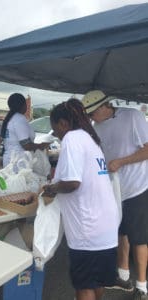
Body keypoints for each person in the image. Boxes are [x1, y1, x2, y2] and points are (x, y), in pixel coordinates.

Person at [42, 98, 119, 300]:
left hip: (88, 228)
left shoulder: (72, 138)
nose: (57, 134)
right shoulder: (90, 139)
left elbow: (72, 182)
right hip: (106, 225)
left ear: (63, 123)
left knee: (84, 284)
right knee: (97, 280)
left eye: (55, 128)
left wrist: (51, 188)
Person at [82, 90, 148, 300]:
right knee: (120, 232)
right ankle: (123, 276)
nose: (91, 118)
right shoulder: (96, 127)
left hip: (137, 187)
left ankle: (142, 286)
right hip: (114, 189)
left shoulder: (132, 116)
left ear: (104, 107)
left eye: (92, 113)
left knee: (139, 238)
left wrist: (121, 161)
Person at [1, 93, 49, 169]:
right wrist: (41, 146)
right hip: (18, 162)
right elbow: (26, 145)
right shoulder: (19, 119)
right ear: (23, 105)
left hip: (10, 160)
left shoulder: (11, 118)